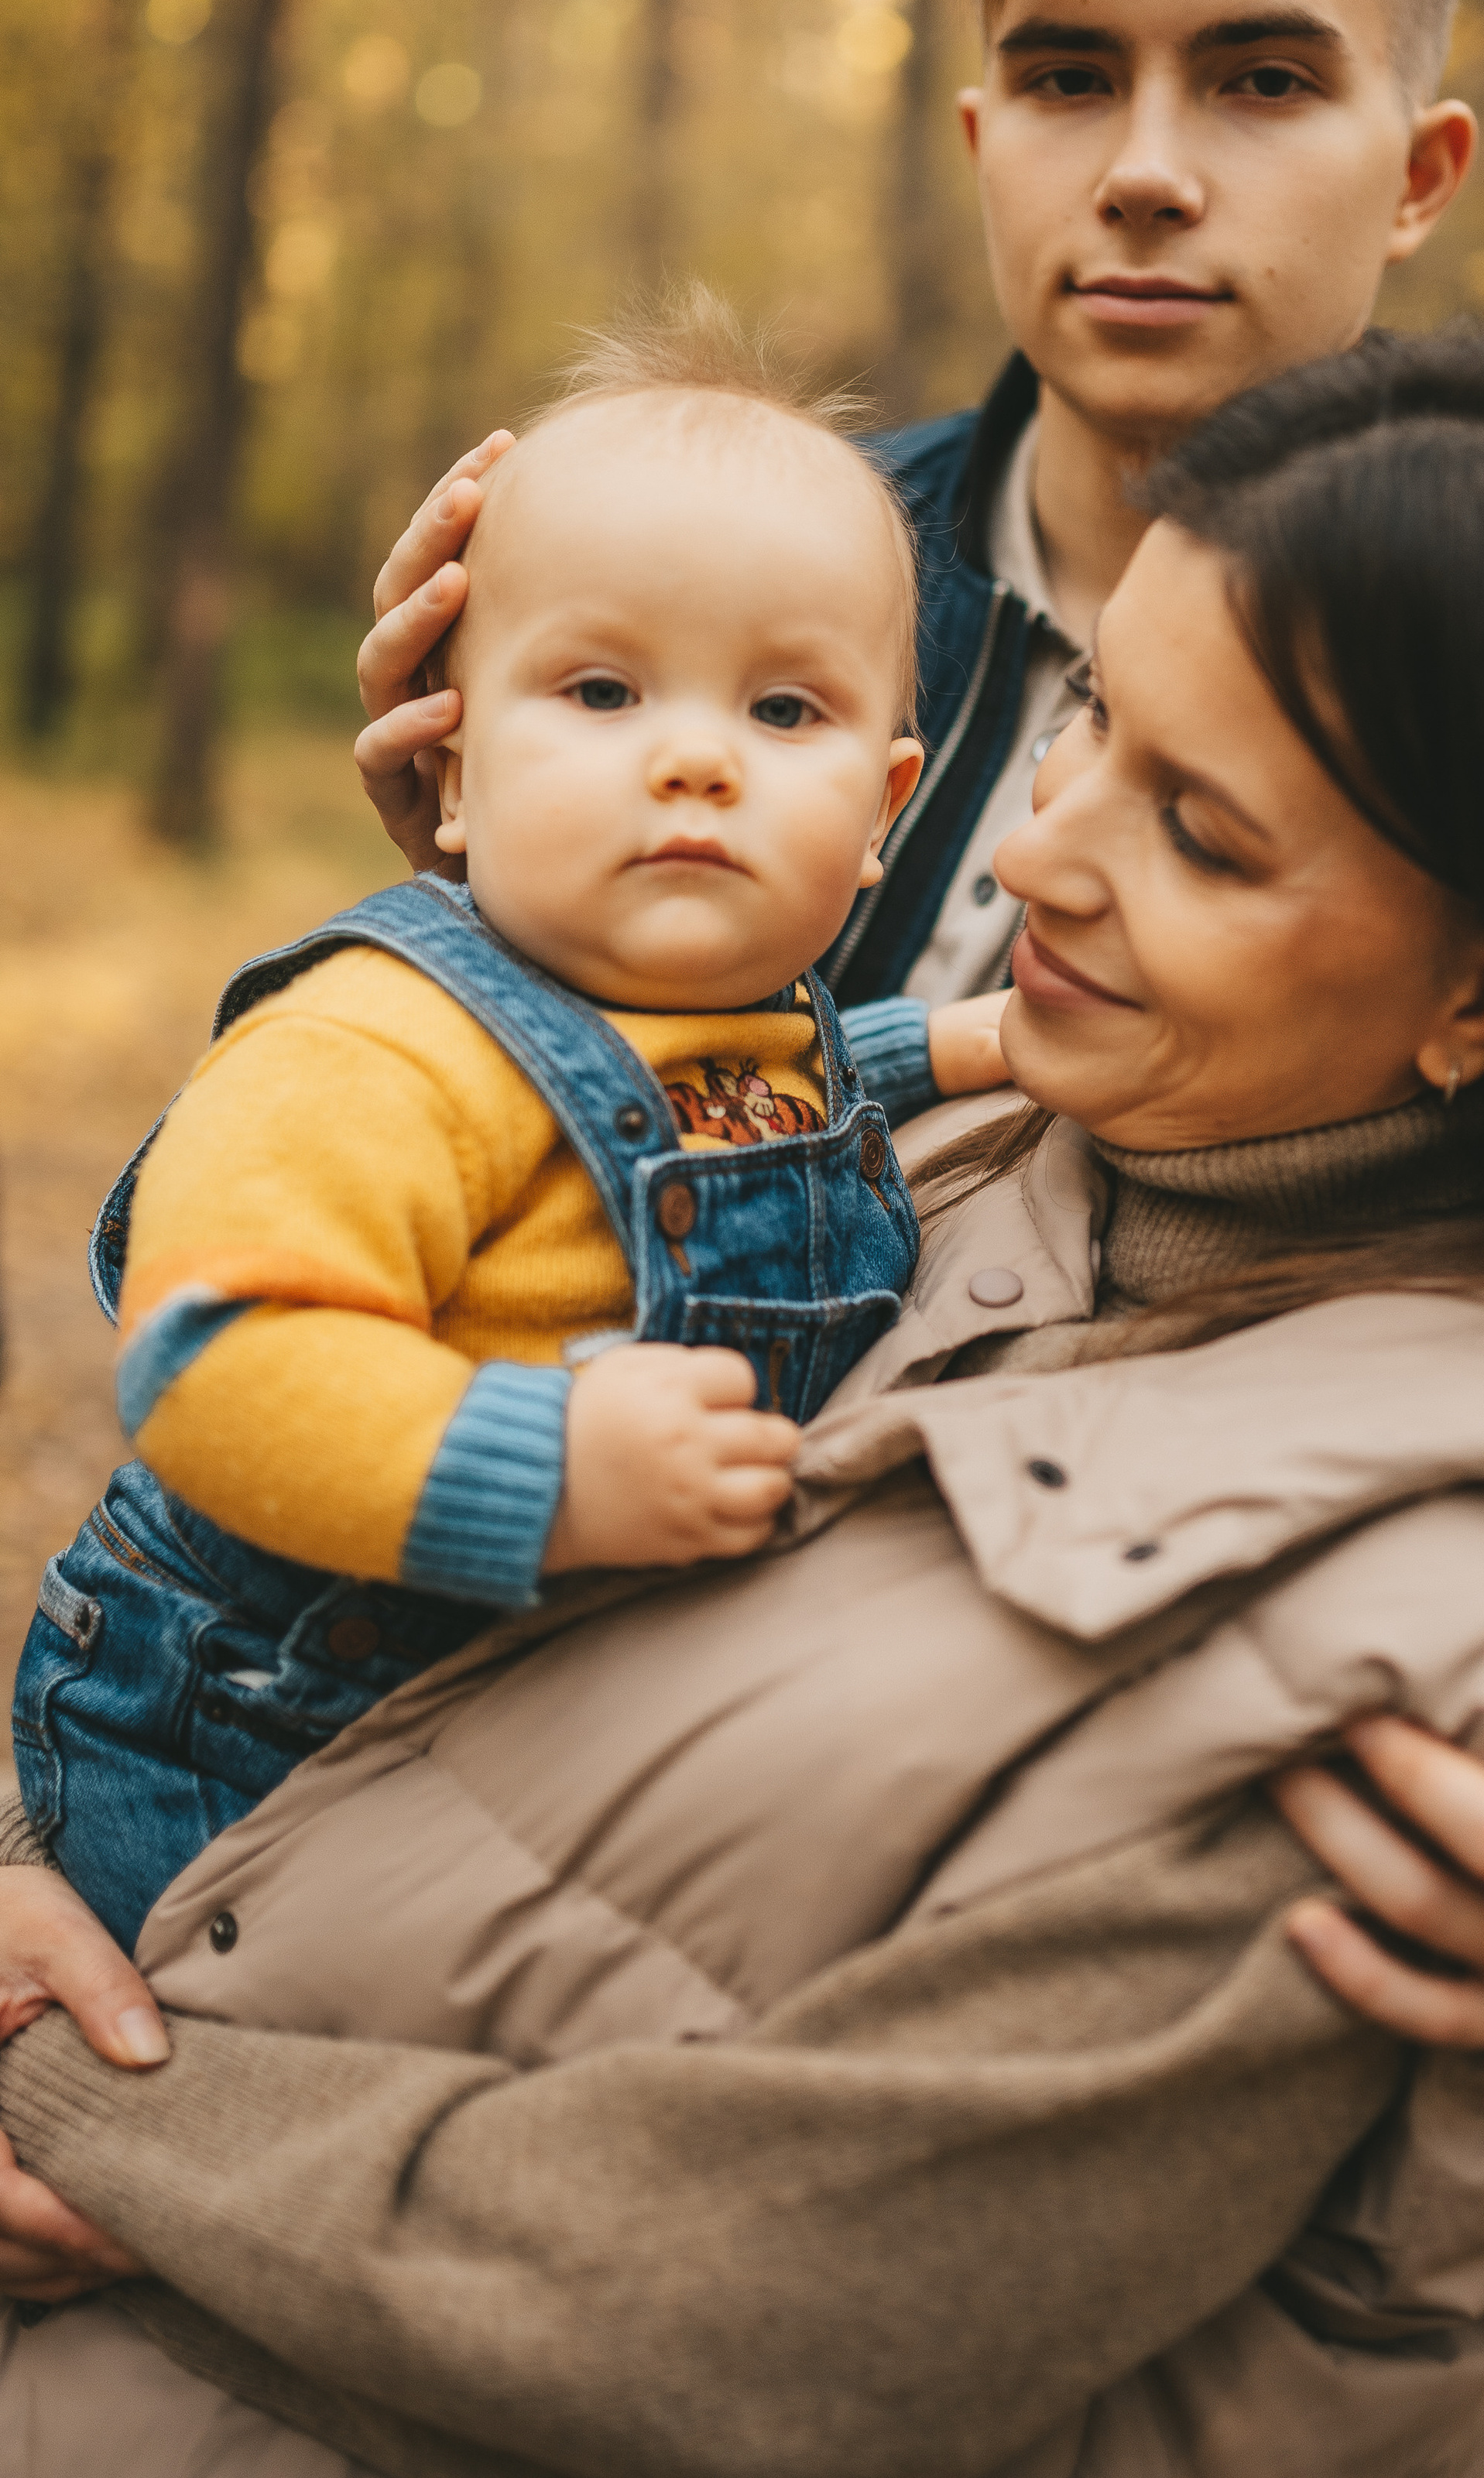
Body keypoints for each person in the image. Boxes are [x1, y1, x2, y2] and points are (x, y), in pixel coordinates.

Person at [1, 338, 1484, 2478]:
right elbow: (288, 1543)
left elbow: (745, 2309)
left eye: (1199, 831)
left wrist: (81, 2098)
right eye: (1099, 716)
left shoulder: (1441, 1639)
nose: (1032, 856)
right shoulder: (1040, 1152)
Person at [340, 0, 1484, 2086]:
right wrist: (482, 946)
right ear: (982, 129)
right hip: (520, 1813)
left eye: (1266, 78)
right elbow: (333, 1265)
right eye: (1073, 77)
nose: (1149, 167)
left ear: (1422, 163)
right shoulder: (724, 572)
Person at [13, 302, 922, 1952]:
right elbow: (212, 1350)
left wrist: (973, 1040)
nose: (698, 759)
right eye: (600, 689)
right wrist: (547, 1470)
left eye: (784, 713)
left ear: (884, 812)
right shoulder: (380, 1040)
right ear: (443, 769)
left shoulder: (744, 1028)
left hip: (511, 1749)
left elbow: (769, 1098)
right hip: (242, 1741)